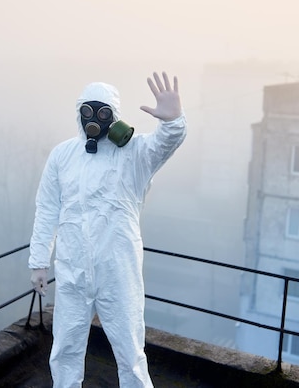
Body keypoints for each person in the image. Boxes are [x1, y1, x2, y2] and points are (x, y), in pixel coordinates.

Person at [28, 72, 187, 387]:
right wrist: (38, 261)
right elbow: (47, 208)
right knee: (65, 350)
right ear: (79, 113)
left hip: (118, 272)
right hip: (73, 272)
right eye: (87, 111)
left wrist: (173, 121)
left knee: (130, 353)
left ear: (113, 116)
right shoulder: (63, 156)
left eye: (102, 113)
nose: (94, 119)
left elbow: (164, 144)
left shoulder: (134, 154)